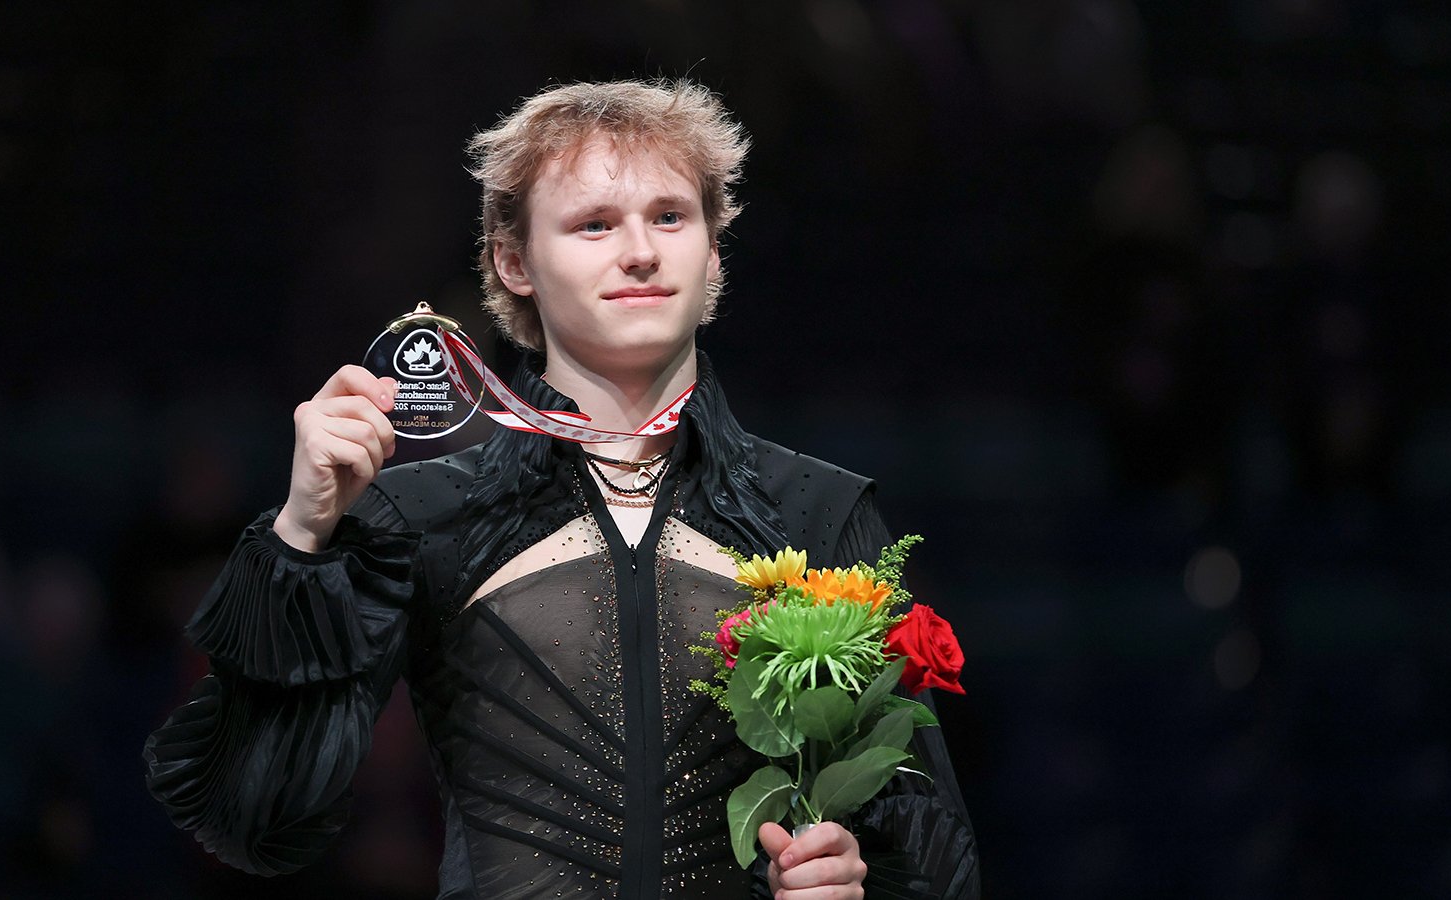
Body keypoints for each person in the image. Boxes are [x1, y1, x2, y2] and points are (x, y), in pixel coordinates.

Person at [144, 79, 979, 899]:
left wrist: (850, 875)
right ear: (513, 262)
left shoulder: (816, 511)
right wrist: (300, 533)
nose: (641, 251)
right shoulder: (426, 517)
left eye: (670, 217)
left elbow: (934, 863)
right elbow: (247, 821)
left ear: (714, 249)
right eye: (594, 224)